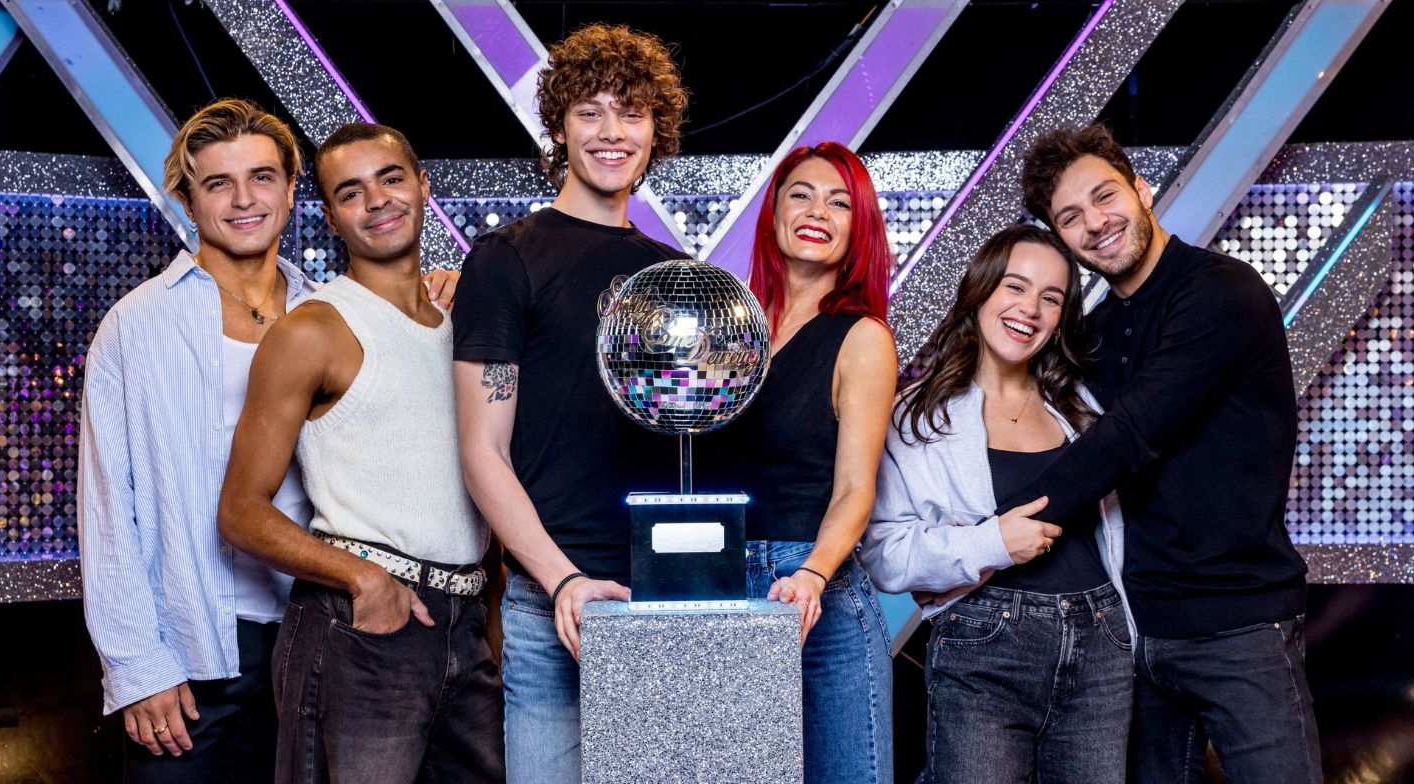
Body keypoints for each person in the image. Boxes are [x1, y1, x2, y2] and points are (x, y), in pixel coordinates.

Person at [77, 99, 456, 783]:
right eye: (218, 184)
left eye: (261, 177)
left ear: (290, 190)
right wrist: (137, 666)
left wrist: (432, 296)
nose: (244, 200)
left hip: (326, 632)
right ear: (189, 201)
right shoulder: (137, 325)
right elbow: (107, 510)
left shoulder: (336, 313)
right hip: (190, 652)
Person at [1002, 123, 1319, 783]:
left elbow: (1130, 434)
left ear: (1141, 189)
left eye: (1105, 196)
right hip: (1135, 631)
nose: (1095, 222)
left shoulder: (1221, 292)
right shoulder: (1092, 332)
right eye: (1070, 217)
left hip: (1240, 627)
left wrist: (993, 531)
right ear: (1060, 237)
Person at [216, 122, 502, 783]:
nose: (376, 201)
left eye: (391, 178)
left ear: (423, 187)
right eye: (350, 192)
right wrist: (364, 581)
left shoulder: (465, 319)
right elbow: (239, 511)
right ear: (330, 217)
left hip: (463, 622)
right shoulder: (312, 330)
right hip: (361, 621)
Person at [451, 23, 689, 784]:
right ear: (558, 127)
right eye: (590, 112)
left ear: (656, 132)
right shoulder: (507, 258)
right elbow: (482, 451)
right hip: (551, 595)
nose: (612, 132)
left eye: (632, 113)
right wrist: (563, 581)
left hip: (663, 594)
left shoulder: (674, 273)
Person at [860, 224, 1134, 783]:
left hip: (1102, 646)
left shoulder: (1083, 407)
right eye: (1015, 286)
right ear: (981, 290)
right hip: (984, 646)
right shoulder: (915, 417)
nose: (1029, 309)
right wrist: (992, 543)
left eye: (1051, 298)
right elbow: (884, 554)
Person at [696, 141, 899, 783]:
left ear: (858, 228)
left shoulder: (862, 337)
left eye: (840, 203)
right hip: (718, 585)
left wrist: (810, 575)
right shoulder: (728, 332)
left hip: (814, 588)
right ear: (775, 212)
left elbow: (856, 489)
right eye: (801, 194)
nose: (817, 211)